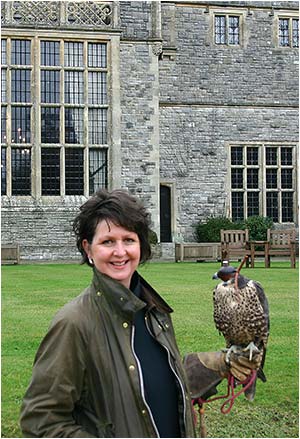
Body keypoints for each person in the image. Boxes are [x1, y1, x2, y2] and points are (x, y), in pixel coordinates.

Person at [20, 189, 262, 438]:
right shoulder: (74, 323)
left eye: (129, 240)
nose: (120, 251)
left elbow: (149, 385)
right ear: (88, 249)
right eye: (107, 242)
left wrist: (218, 365)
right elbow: (40, 420)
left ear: (141, 245)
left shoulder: (154, 310)